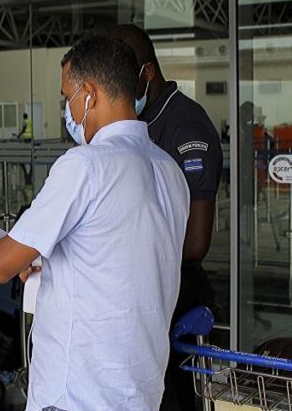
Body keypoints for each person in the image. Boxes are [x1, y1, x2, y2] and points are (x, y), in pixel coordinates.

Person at [0, 34, 189, 410]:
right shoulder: (169, 170)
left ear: (89, 94)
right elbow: (123, 259)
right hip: (139, 392)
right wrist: (49, 259)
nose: (67, 109)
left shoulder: (85, 165)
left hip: (79, 395)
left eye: (67, 96)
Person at [108, 24, 223, 411]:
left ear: (147, 73)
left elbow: (195, 243)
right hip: (142, 294)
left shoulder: (184, 125)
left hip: (176, 297)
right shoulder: (136, 125)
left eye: (123, 81)